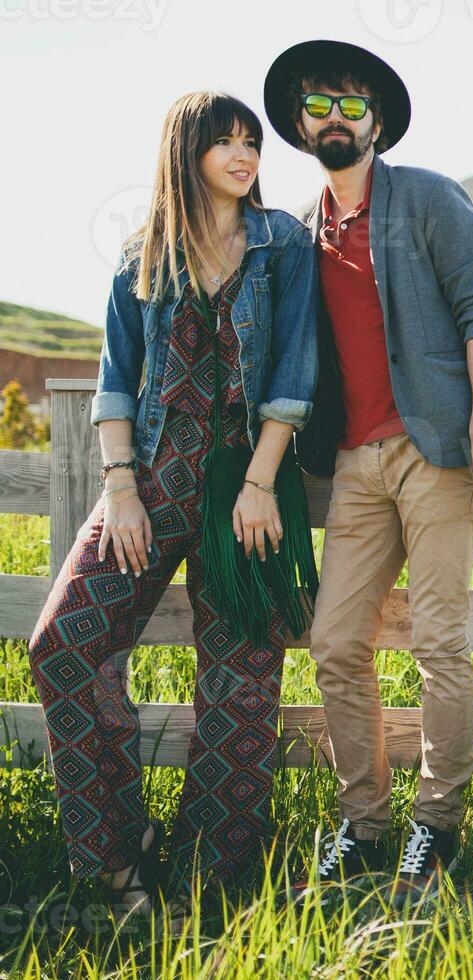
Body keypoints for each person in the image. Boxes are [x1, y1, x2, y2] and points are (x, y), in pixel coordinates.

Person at [26, 91, 319, 929]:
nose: (243, 154)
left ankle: (211, 879)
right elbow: (117, 382)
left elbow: (294, 372)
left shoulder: (282, 245)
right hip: (152, 478)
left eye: (251, 141)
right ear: (184, 151)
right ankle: (119, 855)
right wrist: (120, 486)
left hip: (246, 485)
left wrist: (262, 480)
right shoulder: (139, 257)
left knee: (242, 679)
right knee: (63, 646)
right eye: (223, 140)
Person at [262, 39, 473, 907]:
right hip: (352, 464)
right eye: (317, 105)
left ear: (377, 119)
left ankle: (435, 828)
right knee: (336, 642)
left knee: (438, 643)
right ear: (300, 124)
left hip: (438, 449)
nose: (334, 118)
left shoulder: (429, 201)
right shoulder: (297, 232)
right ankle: (363, 824)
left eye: (351, 104)